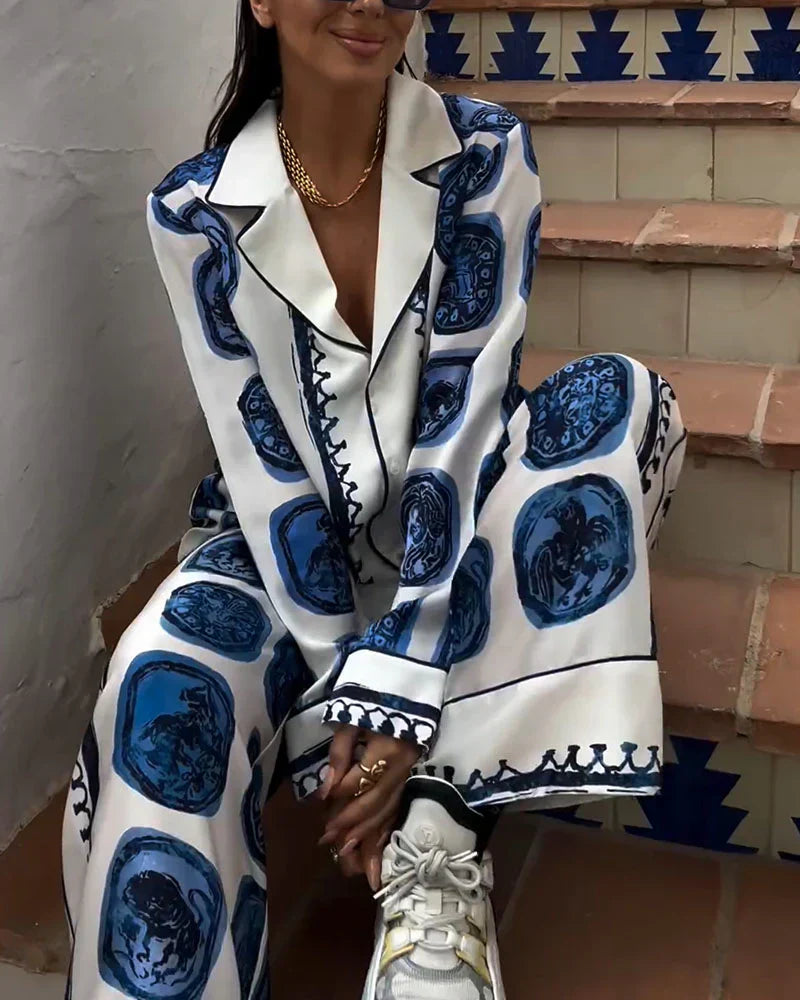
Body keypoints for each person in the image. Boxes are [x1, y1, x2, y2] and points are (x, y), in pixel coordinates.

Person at [61, 0, 686, 997]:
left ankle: (436, 844)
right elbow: (263, 464)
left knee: (621, 400)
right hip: (279, 551)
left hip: (456, 525)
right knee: (155, 672)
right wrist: (353, 699)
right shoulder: (194, 212)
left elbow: (464, 412)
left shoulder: (483, 153)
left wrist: (406, 667)